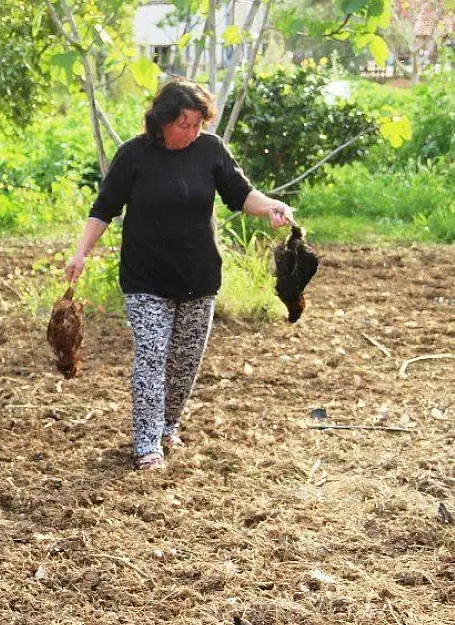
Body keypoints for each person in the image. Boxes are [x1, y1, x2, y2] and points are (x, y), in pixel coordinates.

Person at [65, 80, 294, 471]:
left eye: (197, 124)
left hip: (199, 276)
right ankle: (146, 442)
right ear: (162, 122)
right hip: (145, 278)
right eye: (184, 124)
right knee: (151, 357)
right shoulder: (133, 156)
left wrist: (271, 205)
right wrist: (81, 252)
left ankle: (168, 424)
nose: (192, 132)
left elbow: (241, 195)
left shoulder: (210, 150)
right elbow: (104, 208)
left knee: (185, 362)